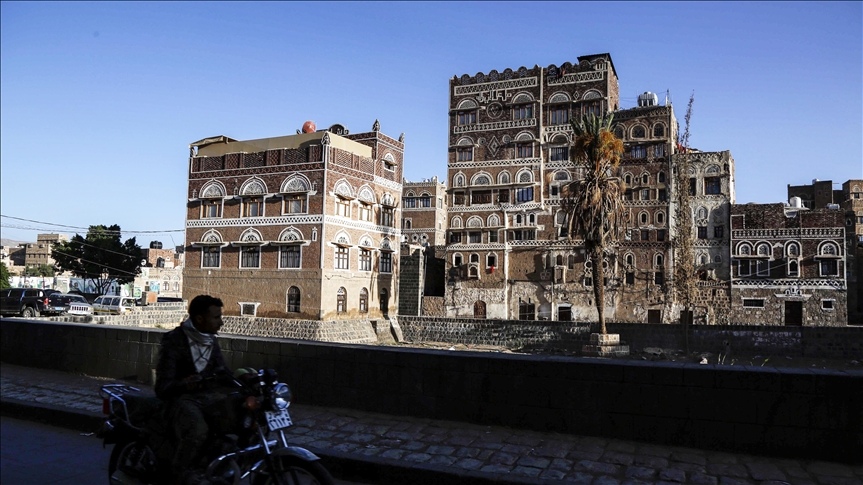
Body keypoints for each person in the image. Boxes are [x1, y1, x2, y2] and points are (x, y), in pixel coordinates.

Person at [155, 295, 236, 485]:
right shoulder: (174, 341)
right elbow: (163, 386)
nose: (221, 322)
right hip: (179, 400)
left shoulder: (210, 341)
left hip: (205, 398)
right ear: (199, 318)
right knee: (198, 429)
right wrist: (184, 384)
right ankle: (180, 472)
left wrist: (246, 379)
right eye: (216, 317)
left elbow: (223, 372)